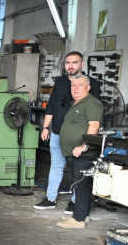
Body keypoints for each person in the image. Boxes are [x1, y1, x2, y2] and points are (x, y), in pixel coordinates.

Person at [36, 51, 102, 212]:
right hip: (57, 132)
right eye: (68, 63)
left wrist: (86, 142)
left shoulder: (91, 83)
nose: (70, 66)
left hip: (78, 137)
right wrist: (45, 127)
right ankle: (50, 198)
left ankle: (75, 201)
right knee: (56, 166)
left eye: (74, 62)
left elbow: (94, 115)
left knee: (77, 170)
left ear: (82, 64)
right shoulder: (60, 82)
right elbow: (51, 105)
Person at [56, 75, 103, 228]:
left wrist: (84, 146)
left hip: (84, 154)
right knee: (78, 185)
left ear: (88, 88)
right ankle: (83, 214)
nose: (75, 88)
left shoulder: (91, 103)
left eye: (79, 85)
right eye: (73, 85)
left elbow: (94, 126)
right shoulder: (75, 104)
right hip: (73, 154)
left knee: (81, 186)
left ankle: (78, 220)